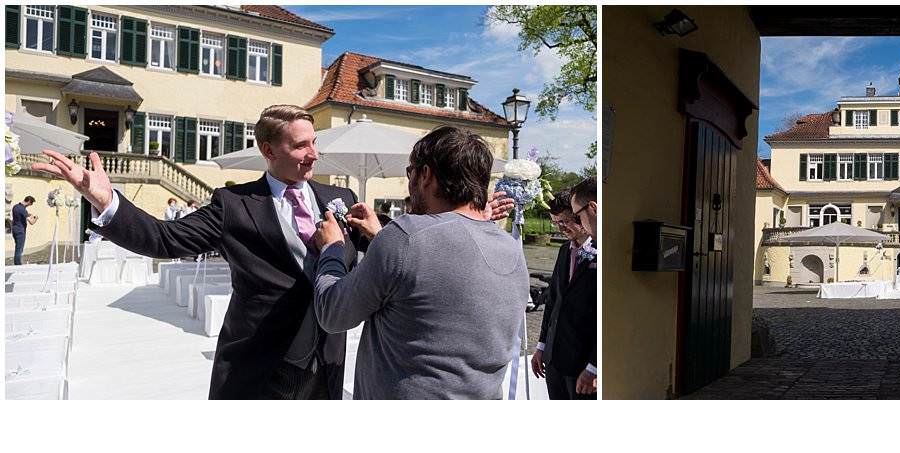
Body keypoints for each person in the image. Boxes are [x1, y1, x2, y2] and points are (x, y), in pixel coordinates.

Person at [33, 105, 513, 399]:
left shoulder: (339, 197)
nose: (313, 154)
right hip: (263, 363)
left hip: (328, 363)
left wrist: (463, 220)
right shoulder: (234, 204)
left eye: (314, 144)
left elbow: (392, 255)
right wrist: (105, 200)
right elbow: (163, 239)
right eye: (301, 146)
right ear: (268, 149)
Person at [310, 126, 524, 399]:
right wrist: (382, 237)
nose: (409, 179)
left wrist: (332, 248)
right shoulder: (511, 248)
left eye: (410, 171)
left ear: (426, 175)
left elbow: (333, 313)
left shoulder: (405, 236)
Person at [532, 190, 593, 399]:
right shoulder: (564, 250)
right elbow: (553, 301)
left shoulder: (599, 251)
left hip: (582, 363)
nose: (560, 228)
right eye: (555, 223)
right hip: (554, 360)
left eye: (564, 221)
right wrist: (541, 346)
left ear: (579, 217)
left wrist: (594, 367)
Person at [10, 196, 38, 265]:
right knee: (19, 249)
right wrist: (36, 218)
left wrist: (28, 214)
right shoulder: (23, 210)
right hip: (20, 231)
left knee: (17, 247)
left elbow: (19, 216)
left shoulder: (15, 206)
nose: (30, 205)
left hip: (14, 230)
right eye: (31, 204)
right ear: (29, 202)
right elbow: (31, 222)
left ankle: (17, 263)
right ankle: (17, 264)